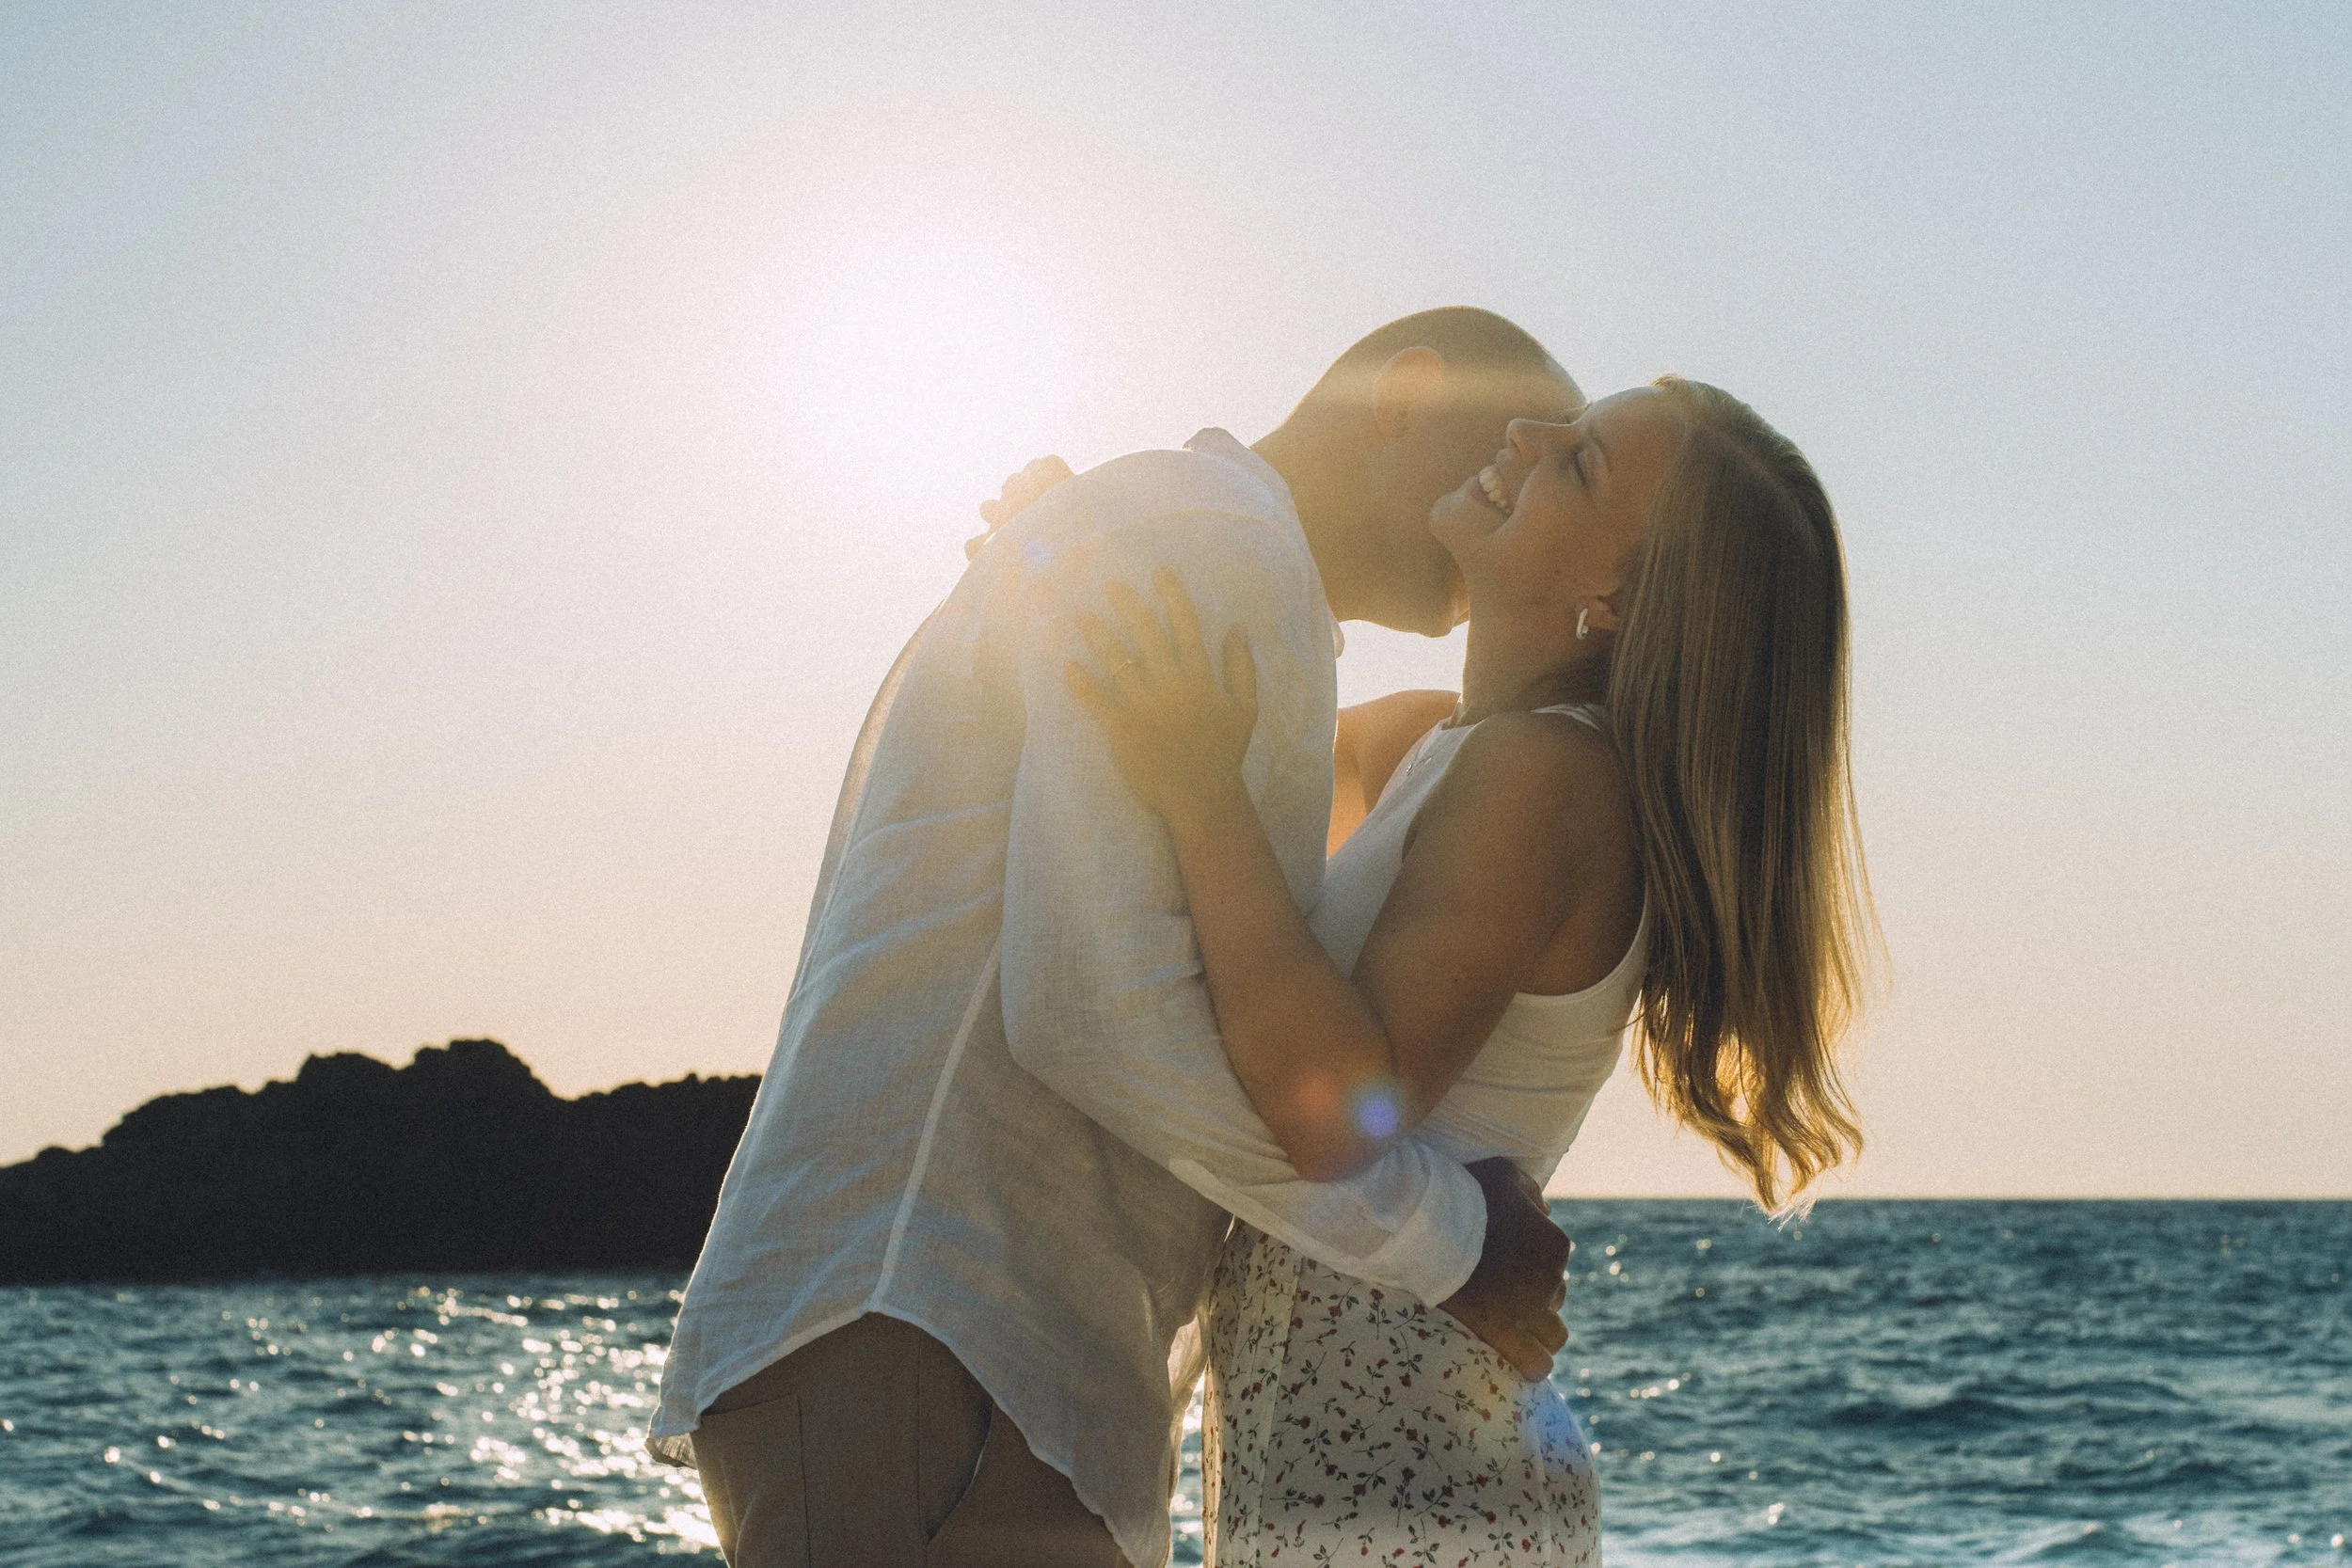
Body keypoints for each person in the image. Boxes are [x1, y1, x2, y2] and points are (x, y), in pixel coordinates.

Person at [649, 309, 1587, 1568]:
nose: (1509, 499)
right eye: (1506, 457)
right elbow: (1096, 1006)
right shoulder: (1215, 540)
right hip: (931, 1333)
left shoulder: (1194, 549)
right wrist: (1450, 1243)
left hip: (960, 1358)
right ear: (1405, 394)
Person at [1061, 377, 1872, 1564]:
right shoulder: (1438, 744)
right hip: (1361, 1453)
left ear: (1611, 603)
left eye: (1580, 462)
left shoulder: (1546, 778)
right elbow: (1233, 704)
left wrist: (1197, 786)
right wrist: (1074, 556)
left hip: (1412, 1466)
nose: (1525, 437)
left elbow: (1331, 1108)